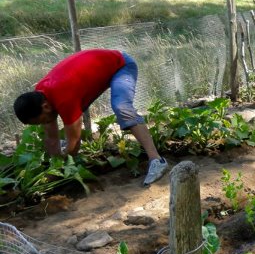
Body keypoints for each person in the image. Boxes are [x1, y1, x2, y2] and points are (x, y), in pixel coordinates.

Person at [13, 48, 168, 186]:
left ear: (45, 107)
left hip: (121, 65)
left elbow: (74, 144)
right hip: (100, 69)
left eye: (42, 120)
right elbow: (51, 137)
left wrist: (65, 163)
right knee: (62, 131)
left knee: (121, 106)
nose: (45, 123)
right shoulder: (40, 96)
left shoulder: (63, 97)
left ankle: (157, 160)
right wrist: (56, 164)